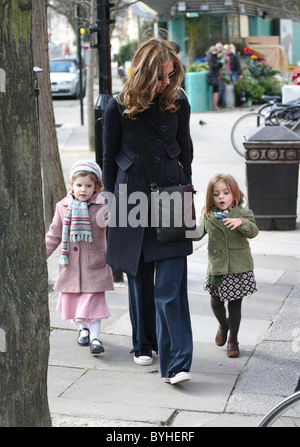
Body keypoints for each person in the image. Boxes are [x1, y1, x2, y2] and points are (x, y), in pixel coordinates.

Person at [103, 37, 193, 385]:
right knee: (139, 278)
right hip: (130, 199)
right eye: (160, 77)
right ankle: (143, 342)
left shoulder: (179, 102)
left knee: (170, 284)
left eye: (171, 75)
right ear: (143, 73)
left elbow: (185, 149)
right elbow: (108, 159)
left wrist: (186, 188)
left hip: (170, 195)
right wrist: (110, 202)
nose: (166, 83)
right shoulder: (118, 107)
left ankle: (176, 364)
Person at [45, 160, 114, 354]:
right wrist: (40, 255)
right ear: (71, 185)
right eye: (79, 185)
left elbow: (115, 230)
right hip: (71, 264)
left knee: (93, 300)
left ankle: (95, 338)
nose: (83, 189)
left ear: (97, 187)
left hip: (95, 265)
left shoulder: (103, 206)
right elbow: (54, 234)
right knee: (76, 301)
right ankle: (83, 330)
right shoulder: (62, 206)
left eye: (88, 186)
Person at [195, 174, 258, 358]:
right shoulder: (207, 214)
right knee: (215, 302)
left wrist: (241, 223)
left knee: (235, 305)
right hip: (217, 268)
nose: (221, 197)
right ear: (210, 197)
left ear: (235, 194)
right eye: (216, 194)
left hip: (238, 268)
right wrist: (177, 230)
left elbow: (254, 231)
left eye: (225, 192)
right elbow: (196, 234)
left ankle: (233, 340)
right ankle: (223, 324)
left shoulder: (243, 213)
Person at [207, 45, 223, 111]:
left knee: (216, 91)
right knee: (215, 91)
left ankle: (215, 106)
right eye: (215, 50)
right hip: (213, 75)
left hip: (215, 75)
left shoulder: (214, 57)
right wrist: (219, 64)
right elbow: (212, 66)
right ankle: (215, 106)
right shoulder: (211, 57)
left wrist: (220, 64)